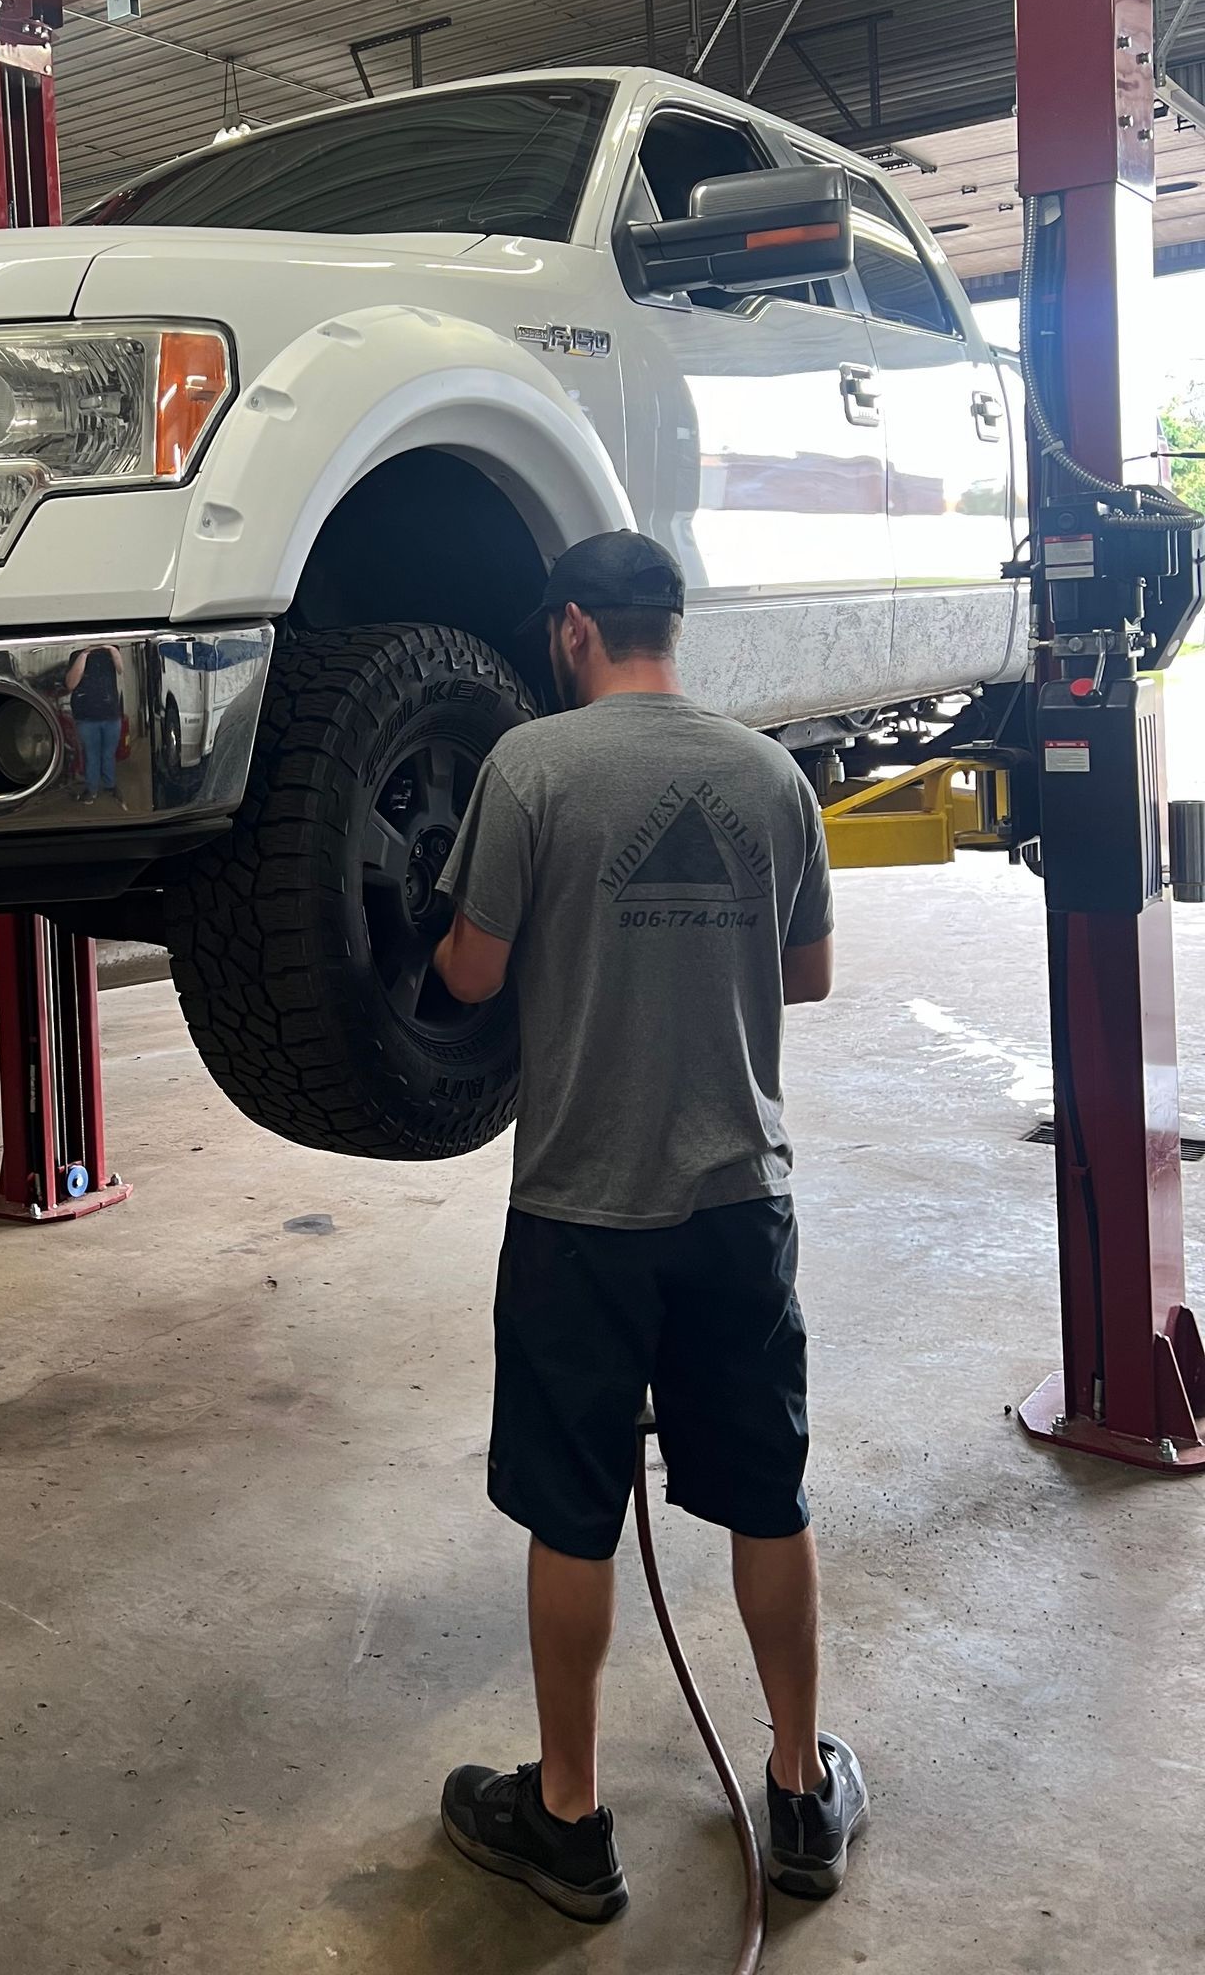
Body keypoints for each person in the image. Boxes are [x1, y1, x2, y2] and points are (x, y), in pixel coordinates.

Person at [429, 528, 865, 1925]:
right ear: (672, 627)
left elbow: (472, 971)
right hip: (742, 1200)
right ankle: (798, 1790)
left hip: (578, 1209)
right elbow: (807, 977)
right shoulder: (765, 773)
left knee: (573, 1516)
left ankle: (566, 1818)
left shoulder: (530, 770)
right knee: (766, 1491)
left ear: (570, 631)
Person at [65, 644, 125, 803]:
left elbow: (120, 669)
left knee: (108, 754)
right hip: (86, 717)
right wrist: (85, 653)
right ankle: (91, 790)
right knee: (91, 755)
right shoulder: (77, 654)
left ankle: (110, 785)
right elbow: (71, 684)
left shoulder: (112, 651)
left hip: (111, 714)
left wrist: (111, 648)